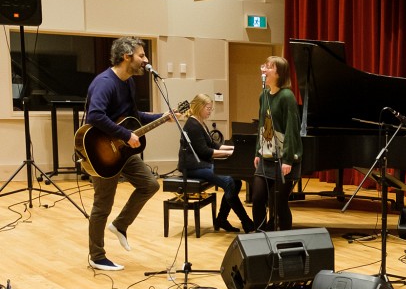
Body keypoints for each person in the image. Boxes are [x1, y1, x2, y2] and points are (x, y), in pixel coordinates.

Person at [84, 36, 173, 271]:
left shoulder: (128, 83)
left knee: (150, 185)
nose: (146, 60)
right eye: (141, 56)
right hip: (101, 151)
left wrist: (162, 117)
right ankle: (96, 255)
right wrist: (125, 135)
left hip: (122, 151)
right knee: (103, 204)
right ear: (126, 56)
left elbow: (134, 116)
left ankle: (120, 225)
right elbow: (95, 116)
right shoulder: (105, 82)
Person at [178, 93, 253, 233]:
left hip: (202, 163)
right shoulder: (193, 124)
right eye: (208, 108)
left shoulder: (200, 122)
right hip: (193, 166)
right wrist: (231, 153)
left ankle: (222, 219)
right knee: (229, 182)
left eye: (211, 108)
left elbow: (213, 144)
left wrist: (234, 148)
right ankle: (245, 221)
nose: (210, 111)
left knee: (236, 182)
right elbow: (205, 151)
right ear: (199, 107)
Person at [252, 56, 303, 231]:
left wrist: (288, 159)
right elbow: (261, 124)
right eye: (264, 66)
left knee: (279, 203)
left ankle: (285, 237)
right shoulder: (263, 95)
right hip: (265, 156)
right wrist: (258, 152)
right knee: (258, 198)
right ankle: (259, 236)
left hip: (283, 158)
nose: (264, 69)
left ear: (279, 73)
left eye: (269, 67)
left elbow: (291, 128)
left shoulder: (287, 96)